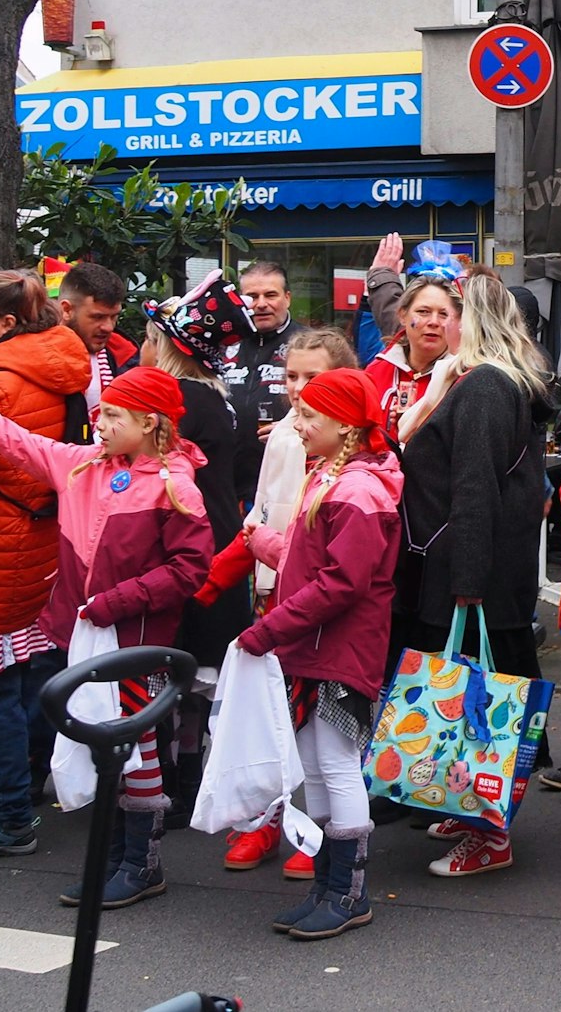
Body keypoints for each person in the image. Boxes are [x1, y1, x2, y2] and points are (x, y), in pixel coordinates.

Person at [0, 366, 213, 908]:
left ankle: (141, 863)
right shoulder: (83, 465)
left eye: (115, 415)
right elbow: (20, 444)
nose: (101, 422)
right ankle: (118, 855)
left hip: (135, 642)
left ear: (150, 423)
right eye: (103, 410)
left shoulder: (174, 485)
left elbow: (190, 568)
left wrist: (117, 602)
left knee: (134, 749)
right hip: (86, 638)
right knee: (106, 748)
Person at [234, 368, 401, 940]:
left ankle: (347, 894)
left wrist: (268, 629)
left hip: (341, 650)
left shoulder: (359, 489)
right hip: (312, 646)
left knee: (334, 763)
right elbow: (316, 567)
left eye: (307, 415)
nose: (296, 425)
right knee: (315, 764)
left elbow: (342, 584)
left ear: (346, 426)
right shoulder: (330, 476)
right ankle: (328, 887)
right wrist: (264, 543)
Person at [395, 275, 552, 878]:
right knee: (476, 699)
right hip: (480, 567)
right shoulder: (494, 380)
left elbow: (474, 486)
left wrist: (466, 578)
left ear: (474, 321)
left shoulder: (486, 384)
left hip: (473, 571)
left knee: (485, 707)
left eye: (453, 314)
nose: (443, 325)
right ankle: (473, 812)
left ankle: (490, 835)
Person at [199, 328, 359, 879]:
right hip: (274, 586)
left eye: (311, 378)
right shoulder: (284, 435)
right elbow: (263, 515)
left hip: (310, 596)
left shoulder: (341, 453)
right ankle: (266, 820)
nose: (296, 389)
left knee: (313, 725)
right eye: (290, 376)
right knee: (273, 714)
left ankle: (310, 832)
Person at [138, 274, 252, 829]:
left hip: (182, 543)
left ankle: (161, 785)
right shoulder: (220, 398)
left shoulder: (176, 401)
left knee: (168, 663)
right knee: (197, 674)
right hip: (218, 538)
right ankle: (187, 774)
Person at [0, 271, 89, 857]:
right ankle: (25, 791)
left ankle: (9, 817)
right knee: (24, 671)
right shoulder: (70, 367)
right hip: (39, 535)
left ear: (5, 322)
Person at [229, 260, 304, 495]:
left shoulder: (309, 345)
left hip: (285, 483)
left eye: (270, 295)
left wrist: (290, 430)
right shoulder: (223, 343)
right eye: (252, 296)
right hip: (227, 485)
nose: (261, 304)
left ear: (287, 298)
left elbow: (334, 411)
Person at [365, 273, 461, 444]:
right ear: (402, 315)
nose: (433, 322)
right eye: (423, 312)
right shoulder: (376, 371)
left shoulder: (463, 377)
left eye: (444, 314)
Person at [57, 262, 140, 421]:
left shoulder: (126, 357)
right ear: (67, 310)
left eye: (114, 316)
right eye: (97, 317)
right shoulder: (37, 361)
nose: (108, 327)